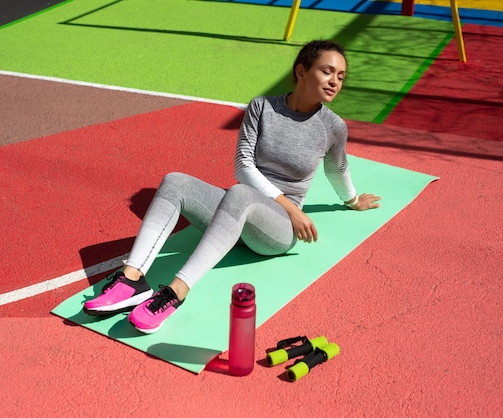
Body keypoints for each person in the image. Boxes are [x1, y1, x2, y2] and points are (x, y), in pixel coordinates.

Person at [84, 39, 381, 334]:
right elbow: (243, 166)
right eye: (327, 71)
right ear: (301, 71)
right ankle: (132, 279)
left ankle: (175, 293)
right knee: (175, 181)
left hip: (278, 229)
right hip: (244, 212)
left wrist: (352, 200)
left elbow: (337, 168)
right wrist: (292, 207)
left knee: (239, 194)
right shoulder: (263, 107)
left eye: (340, 76)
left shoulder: (333, 127)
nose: (335, 82)